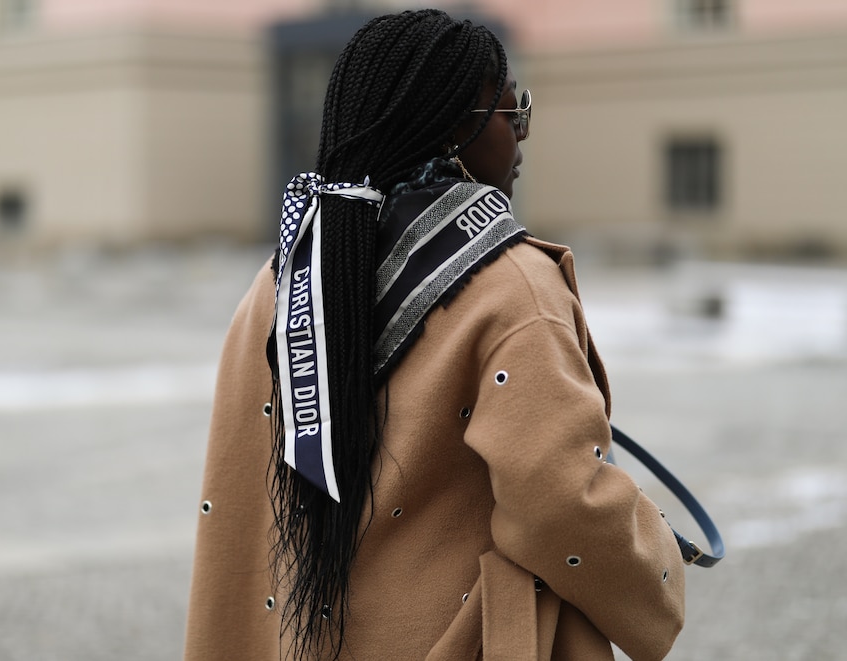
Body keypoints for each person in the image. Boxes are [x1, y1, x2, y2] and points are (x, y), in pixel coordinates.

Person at [184, 9, 684, 661]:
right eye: (514, 113)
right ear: (456, 126)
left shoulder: (284, 279)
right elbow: (562, 506)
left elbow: (242, 482)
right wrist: (661, 566)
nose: (523, 138)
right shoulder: (512, 284)